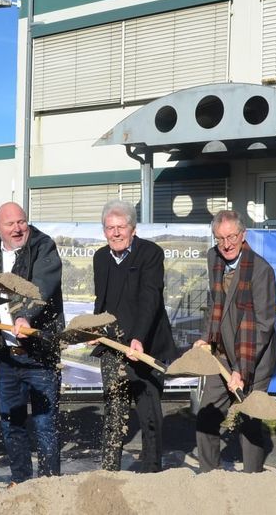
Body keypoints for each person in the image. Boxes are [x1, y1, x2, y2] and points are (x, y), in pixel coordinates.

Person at [0, 202, 65, 485]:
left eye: (21, 222)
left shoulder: (42, 246)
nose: (17, 228)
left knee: (44, 424)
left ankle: (49, 484)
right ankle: (21, 481)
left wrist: (26, 317)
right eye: (10, 224)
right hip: (8, 355)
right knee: (11, 422)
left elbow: (41, 287)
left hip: (39, 354)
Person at [92, 199, 175, 472]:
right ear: (104, 231)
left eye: (121, 227)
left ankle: (152, 472)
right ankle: (109, 472)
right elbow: (101, 302)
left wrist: (138, 337)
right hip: (113, 347)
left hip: (145, 346)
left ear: (133, 229)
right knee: (114, 413)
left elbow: (150, 298)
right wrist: (95, 329)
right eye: (109, 227)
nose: (115, 233)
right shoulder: (101, 258)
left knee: (148, 413)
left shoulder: (150, 254)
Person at [193, 210, 276, 473]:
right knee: (207, 413)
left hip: (254, 355)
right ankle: (211, 474)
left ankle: (253, 478)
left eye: (231, 237)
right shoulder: (214, 258)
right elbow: (214, 303)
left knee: (249, 417)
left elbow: (262, 325)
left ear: (244, 235)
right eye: (220, 239)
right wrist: (207, 339)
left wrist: (241, 369)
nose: (226, 244)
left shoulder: (261, 270)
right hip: (223, 354)